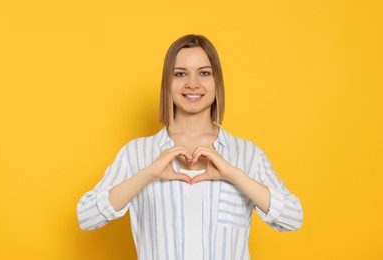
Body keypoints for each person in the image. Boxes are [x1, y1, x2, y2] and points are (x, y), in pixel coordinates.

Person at [77, 34, 303, 260]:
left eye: (204, 73)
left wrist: (234, 175)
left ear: (217, 82)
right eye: (180, 74)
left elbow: (292, 218)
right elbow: (87, 217)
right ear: (168, 82)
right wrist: (147, 174)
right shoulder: (136, 153)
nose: (192, 84)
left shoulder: (247, 154)